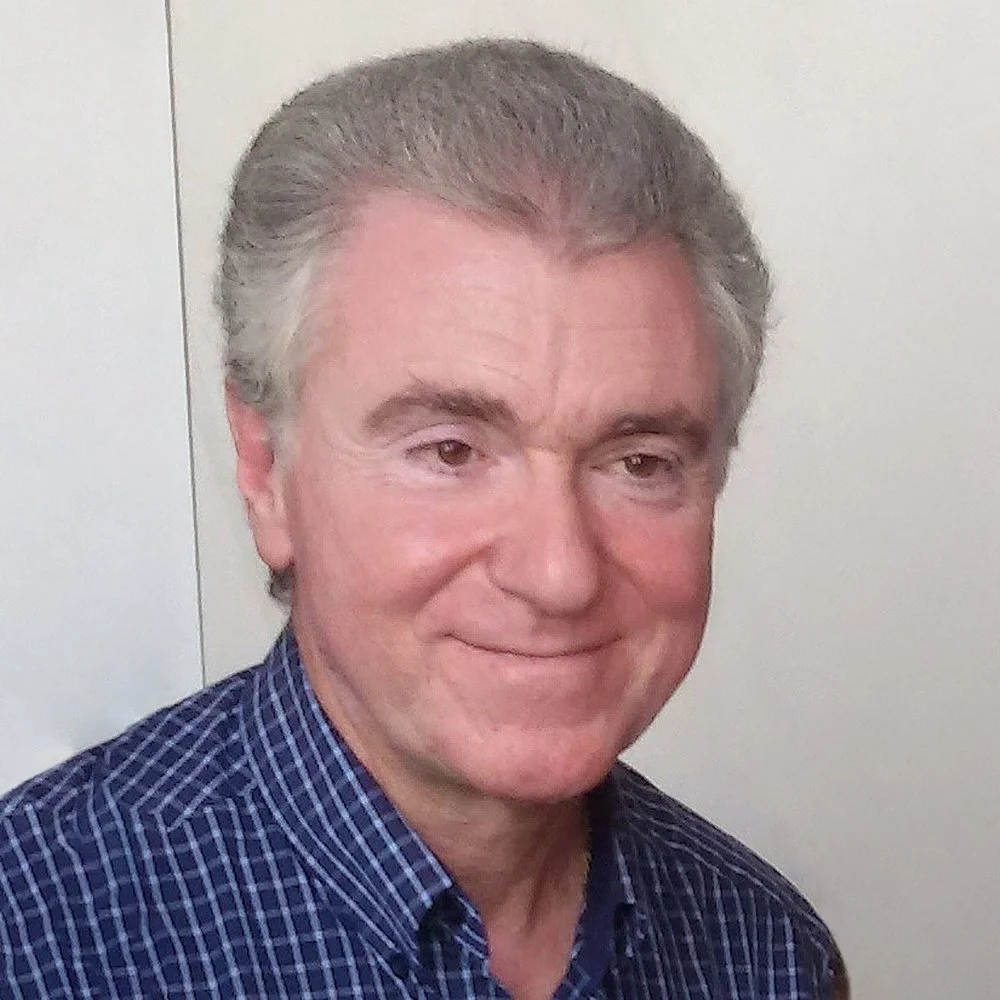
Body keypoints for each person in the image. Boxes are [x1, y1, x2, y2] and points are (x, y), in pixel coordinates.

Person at [0, 38, 847, 999]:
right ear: (266, 468)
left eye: (639, 462)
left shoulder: (771, 956)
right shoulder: (33, 938)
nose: (559, 572)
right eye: (450, 451)